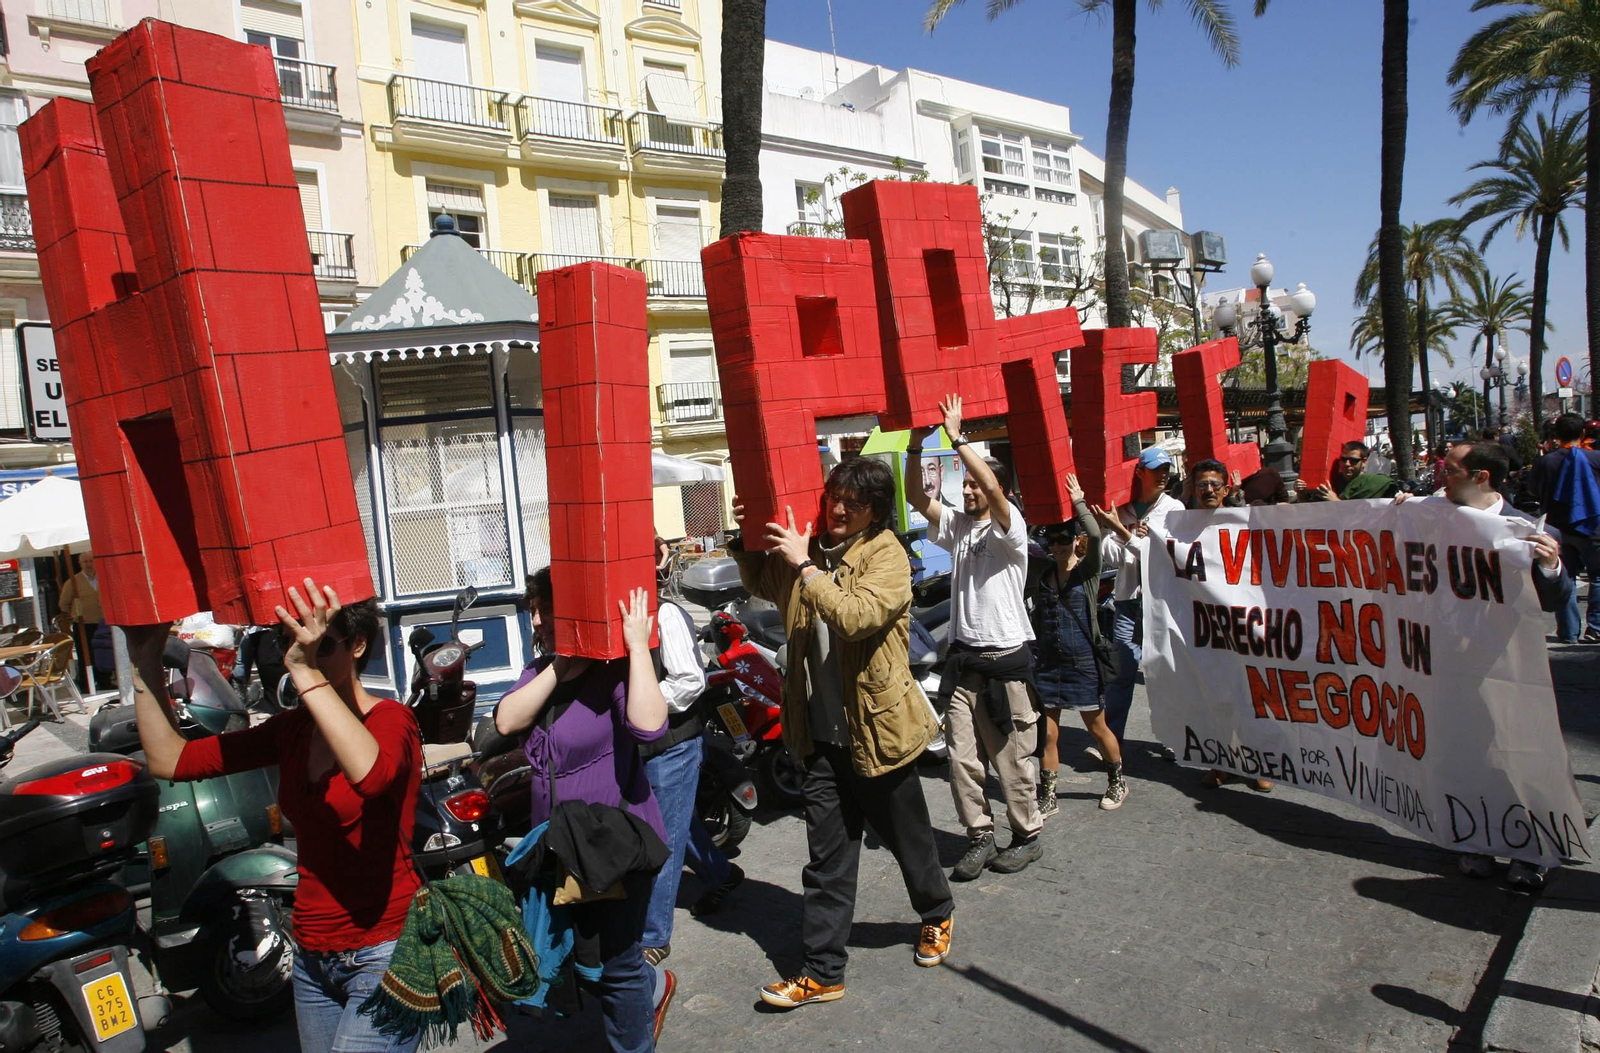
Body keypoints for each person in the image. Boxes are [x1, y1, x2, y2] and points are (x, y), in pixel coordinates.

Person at [126, 580, 423, 1053]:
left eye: (320, 646)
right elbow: (171, 760)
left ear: (359, 645)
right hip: (311, 957)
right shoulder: (292, 731)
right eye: (289, 645)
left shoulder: (392, 721)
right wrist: (143, 661)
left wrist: (305, 673)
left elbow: (369, 776)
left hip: (385, 952)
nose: (299, 657)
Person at [729, 457, 953, 1009]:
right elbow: (762, 582)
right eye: (834, 496)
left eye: (852, 501)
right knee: (826, 860)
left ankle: (936, 912)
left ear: (875, 510)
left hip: (876, 732)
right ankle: (823, 971)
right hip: (820, 737)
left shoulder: (887, 555)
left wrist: (807, 567)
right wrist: (748, 535)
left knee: (909, 840)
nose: (837, 507)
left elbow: (856, 616)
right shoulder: (810, 548)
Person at [494, 571, 672, 1052]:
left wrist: (637, 648)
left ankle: (636, 1030)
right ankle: (647, 991)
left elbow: (651, 728)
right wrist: (560, 663)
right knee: (580, 957)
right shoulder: (539, 672)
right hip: (562, 849)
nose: (537, 618)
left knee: (615, 965)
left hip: (613, 845)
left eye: (546, 608)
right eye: (533, 608)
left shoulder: (612, 673)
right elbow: (507, 719)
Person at [1396, 441, 1571, 888]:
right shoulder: (1433, 514)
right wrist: (1395, 512)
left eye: (1449, 469)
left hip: (1505, 669)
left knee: (1517, 756)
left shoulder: (1525, 529)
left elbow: (1556, 599)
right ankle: (1474, 839)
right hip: (1448, 664)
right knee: (1463, 751)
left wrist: (1550, 567)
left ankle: (1531, 852)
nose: (1440, 476)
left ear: (1481, 478)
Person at [910, 395, 1043, 880]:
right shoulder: (959, 526)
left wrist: (958, 436)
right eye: (962, 484)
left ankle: (1026, 834)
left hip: (1005, 663)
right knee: (962, 761)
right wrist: (912, 447)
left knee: (1011, 760)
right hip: (964, 663)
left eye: (972, 485)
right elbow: (916, 498)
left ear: (996, 491)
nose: (966, 490)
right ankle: (979, 836)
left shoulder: (1011, 527)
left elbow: (990, 481)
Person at [638, 596, 743, 967]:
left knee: (664, 836)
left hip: (673, 744)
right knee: (676, 822)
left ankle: (654, 936)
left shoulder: (664, 612)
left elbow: (688, 682)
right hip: (639, 744)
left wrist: (636, 702)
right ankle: (721, 873)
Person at [1030, 473, 1127, 814]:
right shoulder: (1042, 575)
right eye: (1053, 540)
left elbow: (1098, 534)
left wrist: (1078, 502)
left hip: (1083, 662)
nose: (1058, 545)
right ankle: (1049, 796)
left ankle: (1117, 782)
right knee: (1048, 734)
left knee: (1097, 727)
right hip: (1049, 664)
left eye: (1064, 539)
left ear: (1075, 540)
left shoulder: (1087, 572)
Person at [1185, 460, 1273, 793]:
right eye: (1202, 484)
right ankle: (1221, 761)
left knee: (1250, 696)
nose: (1208, 490)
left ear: (1226, 489)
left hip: (1244, 626)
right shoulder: (1182, 526)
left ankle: (1259, 764)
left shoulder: (1243, 521)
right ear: (1194, 489)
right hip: (1208, 630)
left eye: (1214, 484)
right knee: (1216, 698)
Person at [1093, 446, 1184, 746]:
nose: (1163, 475)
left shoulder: (1174, 509)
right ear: (1140, 472)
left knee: (1166, 675)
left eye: (1166, 470)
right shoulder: (1121, 508)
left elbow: (1166, 555)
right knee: (1121, 674)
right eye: (1157, 470)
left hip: (1161, 602)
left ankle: (1173, 739)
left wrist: (1128, 536)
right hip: (1127, 601)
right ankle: (1112, 740)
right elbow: (1109, 554)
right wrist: (1130, 538)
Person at [1530, 413, 1600, 643]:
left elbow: (1533, 490)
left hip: (1557, 529)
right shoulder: (1596, 459)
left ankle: (1568, 632)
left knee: (1565, 578)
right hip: (1593, 528)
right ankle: (1596, 628)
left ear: (1556, 435)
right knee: (1598, 577)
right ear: (1583, 433)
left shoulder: (1545, 461)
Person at [58, 550, 112, 682]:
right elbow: (63, 604)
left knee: (105, 651)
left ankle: (105, 681)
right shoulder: (73, 582)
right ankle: (87, 683)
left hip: (104, 622)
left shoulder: (104, 578)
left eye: (91, 561)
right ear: (80, 564)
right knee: (86, 655)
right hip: (84, 624)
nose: (89, 564)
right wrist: (76, 612)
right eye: (85, 562)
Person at [1301, 441, 1400, 502]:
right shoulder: (1331, 482)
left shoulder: (1375, 483)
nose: (1347, 464)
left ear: (1364, 461)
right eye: (1343, 459)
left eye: (1353, 460)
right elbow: (1310, 512)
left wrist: (1335, 501)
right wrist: (1300, 493)